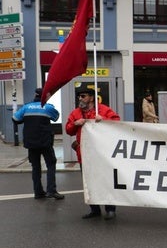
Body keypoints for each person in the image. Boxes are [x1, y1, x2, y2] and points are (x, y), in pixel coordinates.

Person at [66, 86, 120, 220]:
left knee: (105, 181)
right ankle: (94, 209)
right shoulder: (75, 113)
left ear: (91, 97)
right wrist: (75, 124)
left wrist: (104, 120)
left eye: (83, 96)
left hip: (102, 153)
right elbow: (68, 130)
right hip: (84, 154)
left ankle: (110, 209)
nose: (80, 99)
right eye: (79, 96)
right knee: (88, 183)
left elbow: (117, 123)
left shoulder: (104, 110)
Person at [12, 88, 64, 200]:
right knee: (51, 164)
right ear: (44, 96)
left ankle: (38, 192)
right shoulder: (48, 107)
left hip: (31, 143)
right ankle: (51, 190)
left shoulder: (26, 107)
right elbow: (56, 118)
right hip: (45, 142)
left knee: (35, 167)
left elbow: (15, 119)